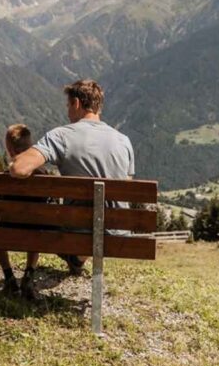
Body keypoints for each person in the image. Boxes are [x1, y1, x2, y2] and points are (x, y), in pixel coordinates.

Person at [9, 79, 134, 274]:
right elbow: (127, 187)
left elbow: (19, 169)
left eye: (68, 105)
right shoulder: (124, 141)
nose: (67, 111)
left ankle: (76, 257)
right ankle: (78, 258)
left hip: (77, 233)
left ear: (76, 103)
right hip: (118, 233)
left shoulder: (60, 136)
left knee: (44, 218)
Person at [0, 124, 47, 299]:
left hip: (8, 229)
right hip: (36, 233)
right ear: (31, 147)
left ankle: (9, 277)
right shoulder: (43, 176)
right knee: (39, 222)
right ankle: (29, 274)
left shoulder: (4, 177)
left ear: (9, 149)